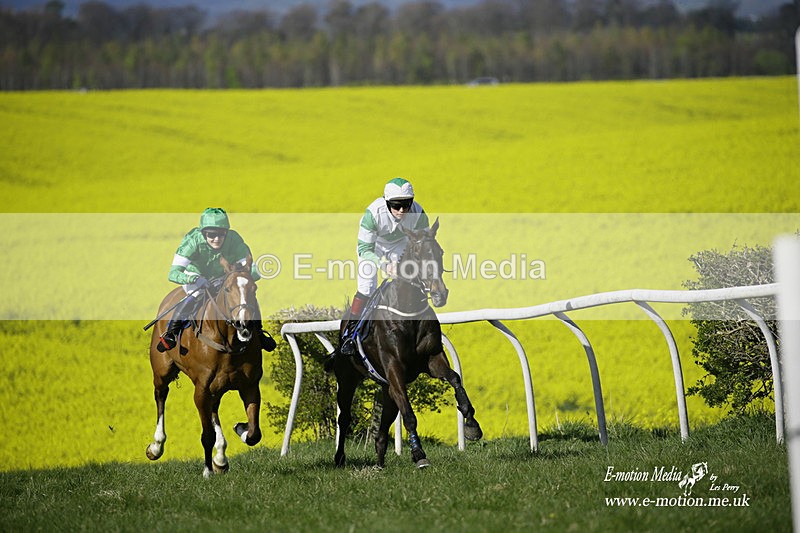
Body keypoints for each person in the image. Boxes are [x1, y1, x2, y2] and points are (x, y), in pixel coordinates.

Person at [157, 207, 273, 353]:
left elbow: (250, 269)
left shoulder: (234, 239)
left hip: (224, 277)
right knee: (195, 295)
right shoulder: (192, 242)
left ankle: (259, 331)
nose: (217, 239)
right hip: (196, 276)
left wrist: (250, 273)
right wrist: (193, 279)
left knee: (244, 295)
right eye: (212, 235)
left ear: (227, 232)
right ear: (204, 233)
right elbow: (173, 273)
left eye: (221, 234)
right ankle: (171, 333)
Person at [340, 177, 429, 355]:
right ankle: (350, 333)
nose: (402, 210)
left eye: (407, 204)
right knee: (367, 287)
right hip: (373, 248)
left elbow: (424, 244)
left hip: (399, 244)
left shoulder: (418, 213)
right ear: (386, 202)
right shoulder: (372, 214)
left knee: (407, 280)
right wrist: (384, 265)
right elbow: (365, 249)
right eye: (396, 205)